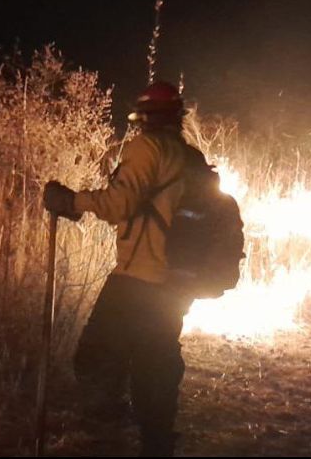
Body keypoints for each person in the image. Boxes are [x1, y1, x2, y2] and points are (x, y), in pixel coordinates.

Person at [43, 81, 196, 456]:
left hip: (139, 276)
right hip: (177, 281)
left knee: (95, 354)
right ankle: (155, 441)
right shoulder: (189, 156)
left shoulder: (147, 147)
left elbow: (120, 204)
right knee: (155, 358)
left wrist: (71, 201)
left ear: (143, 117)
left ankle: (106, 431)